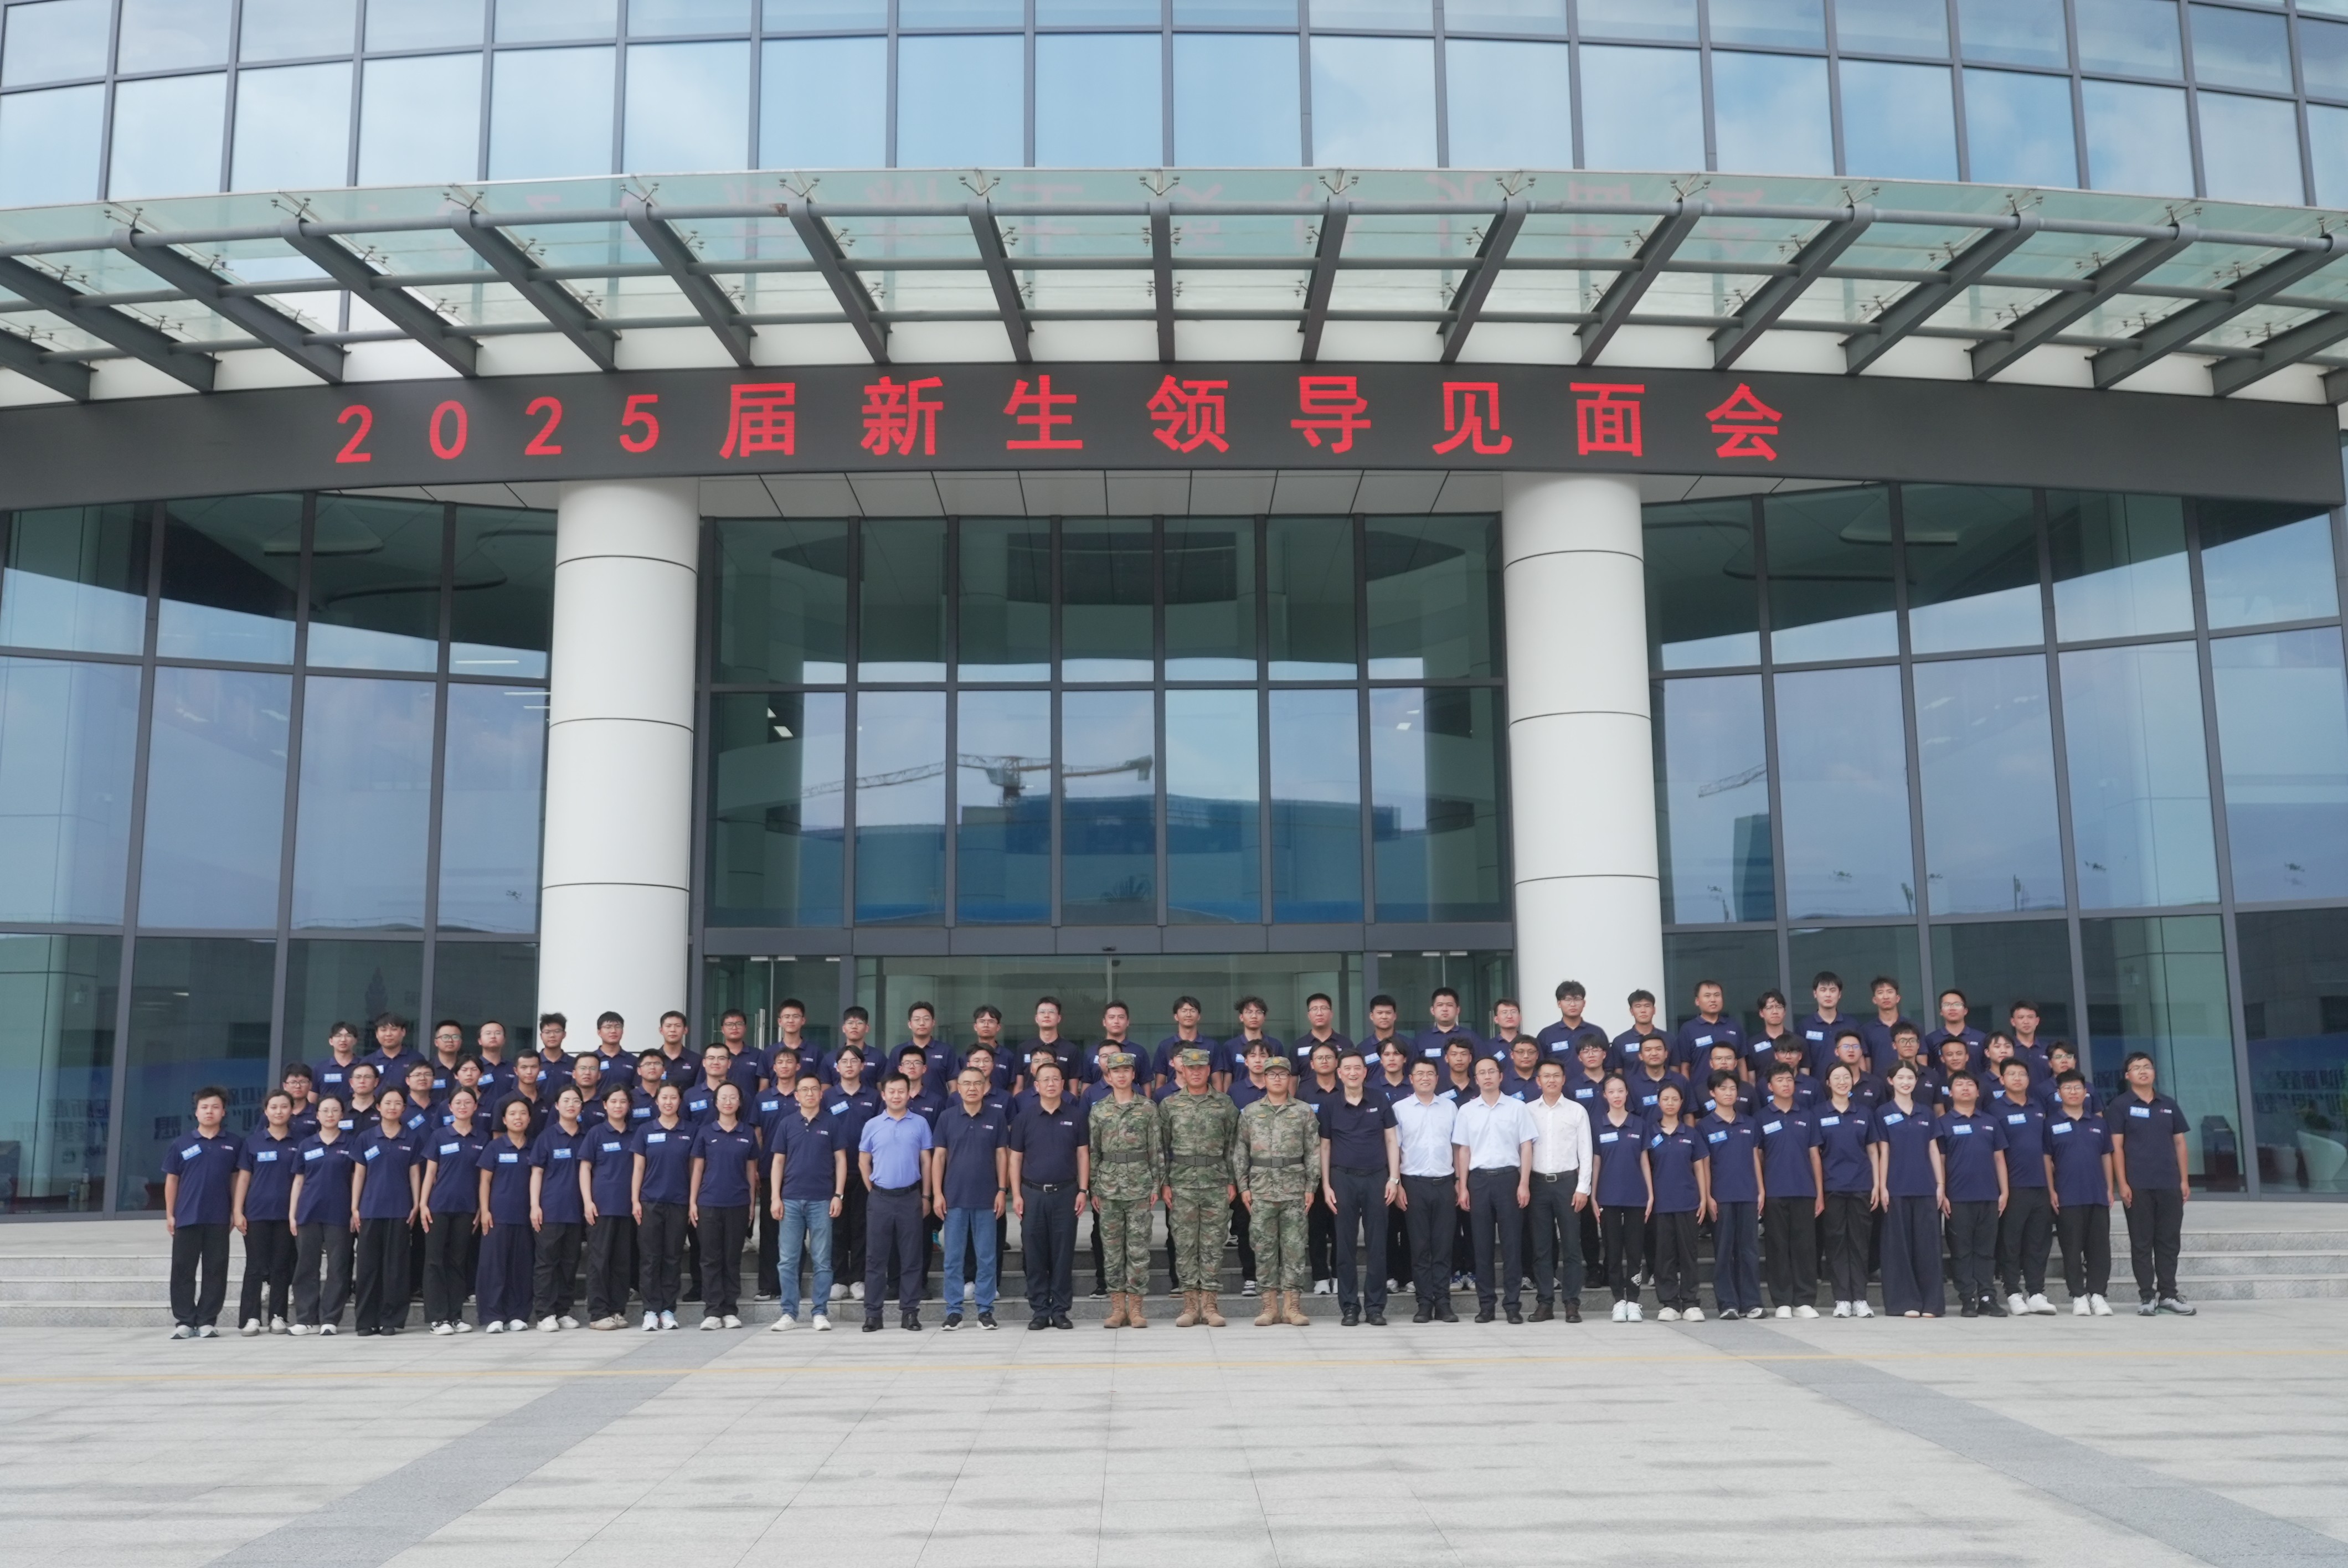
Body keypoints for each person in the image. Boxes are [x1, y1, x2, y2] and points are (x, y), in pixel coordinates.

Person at [2109, 1050, 2196, 1317]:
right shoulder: (2120, 1105)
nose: (2143, 1071)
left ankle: (2168, 1294)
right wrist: (2122, 1183)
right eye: (2137, 1068)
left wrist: (2184, 1180)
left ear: (2154, 1072)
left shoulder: (2168, 1104)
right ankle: (2147, 1296)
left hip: (2169, 1183)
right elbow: (2116, 1147)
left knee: (2169, 1241)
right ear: (2128, 1076)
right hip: (2138, 1185)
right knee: (2142, 1242)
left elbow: (2180, 1143)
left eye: (2147, 1066)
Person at [1317, 1049, 1401, 1327]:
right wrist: (1326, 1185)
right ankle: (1350, 1307)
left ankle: (1375, 1307)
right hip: (1343, 1179)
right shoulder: (1330, 1104)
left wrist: (1394, 1178)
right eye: (1348, 1069)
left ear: (1365, 1072)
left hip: (1377, 1178)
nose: (1353, 1073)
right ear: (1340, 1073)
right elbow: (1325, 1146)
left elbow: (1391, 1140)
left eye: (1358, 1068)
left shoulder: (1379, 1098)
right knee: (1345, 1246)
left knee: (1378, 1245)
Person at [1451, 1056, 1537, 1325]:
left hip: (1509, 1179)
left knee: (1512, 1245)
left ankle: (1512, 1306)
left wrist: (1524, 1183)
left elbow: (1526, 1147)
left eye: (1492, 1072)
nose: (1487, 1076)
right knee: (1482, 1246)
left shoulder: (1517, 1108)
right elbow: (1463, 1150)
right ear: (1476, 1079)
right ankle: (1486, 1306)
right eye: (1482, 1073)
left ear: (1501, 1076)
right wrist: (1462, 1186)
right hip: (1478, 1181)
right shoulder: (1467, 1111)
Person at [1159, 1046, 1240, 1329]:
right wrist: (1164, 1183)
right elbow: (1161, 1148)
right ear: (1182, 1069)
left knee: (1213, 1245)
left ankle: (1210, 1304)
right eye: (1191, 1068)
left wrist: (1232, 1180)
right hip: (1181, 1183)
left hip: (1215, 1181)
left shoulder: (1224, 1104)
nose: (1196, 1072)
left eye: (1201, 1067)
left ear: (1208, 1070)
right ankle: (1190, 1305)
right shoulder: (1170, 1104)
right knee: (1184, 1245)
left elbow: (1233, 1146)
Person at [1235, 1057, 1318, 1327]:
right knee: (1264, 1249)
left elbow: (1313, 1151)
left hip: (1294, 1189)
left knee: (1295, 1249)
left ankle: (1292, 1307)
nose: (1278, 1079)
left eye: (1283, 1074)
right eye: (1272, 1075)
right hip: (1261, 1189)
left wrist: (1312, 1186)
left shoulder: (1304, 1111)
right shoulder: (1250, 1112)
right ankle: (1269, 1307)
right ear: (1265, 1078)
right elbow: (1240, 1151)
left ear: (1290, 1078)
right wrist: (1243, 1186)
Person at [1008, 1060, 1087, 1330]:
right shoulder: (1024, 1118)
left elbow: (1082, 1155)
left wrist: (1083, 1190)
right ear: (1037, 1085)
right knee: (1034, 1253)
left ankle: (1061, 1310)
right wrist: (1016, 1194)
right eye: (1046, 1080)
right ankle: (1040, 1310)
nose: (1051, 1084)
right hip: (1032, 1194)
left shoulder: (1076, 1116)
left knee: (1063, 1254)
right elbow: (1015, 1159)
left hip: (1066, 1193)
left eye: (1056, 1079)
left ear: (1063, 1084)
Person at [1087, 1051, 1162, 1328]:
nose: (1121, 1075)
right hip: (1108, 1187)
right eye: (1115, 1071)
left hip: (1140, 1184)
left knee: (1139, 1248)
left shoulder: (1148, 1108)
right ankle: (1118, 1308)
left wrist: (1156, 1184)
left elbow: (1156, 1150)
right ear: (1107, 1077)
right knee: (1112, 1250)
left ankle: (1137, 1308)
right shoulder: (1099, 1110)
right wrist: (1093, 1187)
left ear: (1133, 1075)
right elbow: (1094, 1152)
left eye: (1126, 1071)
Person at [766, 1070, 846, 1333]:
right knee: (788, 1260)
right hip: (790, 1199)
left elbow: (841, 1160)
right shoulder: (787, 1124)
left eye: (814, 1089)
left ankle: (820, 1312)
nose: (810, 1094)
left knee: (822, 1259)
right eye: (804, 1090)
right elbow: (778, 1162)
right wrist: (775, 1197)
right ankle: (789, 1313)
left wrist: (838, 1195)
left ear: (821, 1094)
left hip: (822, 1200)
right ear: (797, 1095)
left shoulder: (832, 1123)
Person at [933, 1066, 1008, 1331]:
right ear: (959, 1088)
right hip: (954, 1198)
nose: (972, 1088)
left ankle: (985, 1311)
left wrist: (1002, 1190)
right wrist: (937, 1193)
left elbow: (1002, 1155)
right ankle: (954, 1311)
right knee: (953, 1258)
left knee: (986, 1257)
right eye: (966, 1083)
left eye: (978, 1083)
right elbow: (939, 1156)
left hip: (987, 1198)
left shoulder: (997, 1116)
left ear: (986, 1087)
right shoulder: (947, 1117)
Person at [859, 1071, 935, 1332]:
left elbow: (926, 1162)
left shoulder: (920, 1123)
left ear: (909, 1093)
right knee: (875, 1259)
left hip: (910, 1198)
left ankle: (910, 1313)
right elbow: (863, 1160)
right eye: (891, 1091)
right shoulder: (872, 1125)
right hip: (880, 1198)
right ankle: (873, 1314)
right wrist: (872, 1189)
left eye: (901, 1091)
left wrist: (926, 1195)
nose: (896, 1096)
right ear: (883, 1095)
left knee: (912, 1257)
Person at [162, 1086, 240, 1340]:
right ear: (196, 1112)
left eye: (215, 1107)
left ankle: (207, 1320)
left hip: (219, 1217)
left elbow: (236, 1179)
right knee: (183, 1269)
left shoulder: (233, 1144)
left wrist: (235, 1211)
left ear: (224, 1112)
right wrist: (170, 1213)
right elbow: (172, 1179)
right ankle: (185, 1320)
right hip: (187, 1216)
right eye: (204, 1107)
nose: (210, 1112)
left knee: (215, 1269)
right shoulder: (181, 1143)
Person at [1872, 1063, 1945, 1318]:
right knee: (1898, 1248)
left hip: (1925, 1186)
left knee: (1928, 1246)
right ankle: (1904, 1303)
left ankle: (1932, 1303)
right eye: (1901, 1077)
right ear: (1890, 1081)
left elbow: (1933, 1149)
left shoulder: (1926, 1112)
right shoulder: (1883, 1112)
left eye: (1910, 1078)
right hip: (1896, 1187)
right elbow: (1883, 1151)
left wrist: (1940, 1185)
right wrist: (1883, 1186)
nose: (1906, 1082)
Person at [1522, 1059, 1592, 1323]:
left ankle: (1572, 1303)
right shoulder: (1527, 1111)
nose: (1551, 1080)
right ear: (1538, 1081)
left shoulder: (1576, 1111)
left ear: (1564, 1079)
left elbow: (1586, 1151)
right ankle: (1545, 1302)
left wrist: (1583, 1187)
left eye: (1556, 1076)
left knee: (1572, 1246)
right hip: (1537, 1184)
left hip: (1567, 1184)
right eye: (1546, 1076)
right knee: (1541, 1247)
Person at [351, 1087, 424, 1337]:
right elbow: (359, 1174)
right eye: (388, 1103)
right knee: (368, 1267)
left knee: (396, 1268)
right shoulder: (366, 1138)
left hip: (400, 1209)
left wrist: (416, 1204)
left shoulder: (411, 1138)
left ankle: (390, 1320)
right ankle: (365, 1321)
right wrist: (355, 1206)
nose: (392, 1107)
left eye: (398, 1103)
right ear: (379, 1107)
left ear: (404, 1108)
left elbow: (415, 1174)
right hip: (370, 1209)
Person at [1392, 1058, 1460, 1323]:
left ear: (1437, 1078)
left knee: (1443, 1246)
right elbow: (1395, 1149)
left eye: (1430, 1073)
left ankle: (1443, 1303)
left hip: (1444, 1183)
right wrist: (1397, 1184)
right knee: (1419, 1247)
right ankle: (1424, 1304)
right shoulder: (1400, 1109)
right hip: (1413, 1184)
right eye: (1419, 1074)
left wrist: (1459, 1181)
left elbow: (1458, 1147)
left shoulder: (1450, 1107)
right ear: (1411, 1079)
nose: (1425, 1078)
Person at [1938, 1071, 2010, 1318]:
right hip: (1957, 1198)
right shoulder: (1944, 1123)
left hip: (1989, 1196)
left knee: (1986, 1251)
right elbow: (1940, 1160)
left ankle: (1988, 1297)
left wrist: (2004, 1191)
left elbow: (1999, 1158)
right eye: (1959, 1084)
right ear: (1950, 1092)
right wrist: (1943, 1192)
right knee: (1961, 1252)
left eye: (1970, 1084)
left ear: (1979, 1092)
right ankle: (1967, 1298)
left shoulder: (1990, 1122)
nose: (1966, 1088)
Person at [1755, 1063, 1824, 1319]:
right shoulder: (1761, 1117)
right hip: (1774, 1190)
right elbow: (1758, 1157)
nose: (1786, 1084)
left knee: (1805, 1247)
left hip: (1804, 1190)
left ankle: (1804, 1300)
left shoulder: (1807, 1115)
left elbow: (1815, 1156)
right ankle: (1782, 1300)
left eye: (1789, 1080)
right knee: (1777, 1246)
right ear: (1770, 1086)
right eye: (1780, 1080)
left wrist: (1819, 1193)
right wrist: (1761, 1190)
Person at [2046, 1070, 2117, 1316]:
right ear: (2059, 1094)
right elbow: (2046, 1159)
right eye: (2068, 1088)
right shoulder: (2051, 1124)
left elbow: (2106, 1156)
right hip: (2067, 1196)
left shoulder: (2098, 1123)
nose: (2073, 1092)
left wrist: (2110, 1188)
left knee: (2099, 1248)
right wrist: (2052, 1190)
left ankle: (2098, 1295)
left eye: (2078, 1088)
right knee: (2071, 1248)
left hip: (2097, 1194)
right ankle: (2078, 1295)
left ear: (2086, 1093)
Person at [687, 1082, 758, 1329]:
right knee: (710, 1258)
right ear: (716, 1102)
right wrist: (693, 1202)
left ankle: (730, 1309)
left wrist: (751, 1204)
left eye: (733, 1097)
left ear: (740, 1102)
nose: (728, 1102)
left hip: (738, 1203)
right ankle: (713, 1310)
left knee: (732, 1258)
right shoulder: (705, 1132)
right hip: (708, 1202)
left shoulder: (747, 1133)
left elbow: (751, 1172)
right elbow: (697, 1169)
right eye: (723, 1097)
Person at [418, 1086, 488, 1334]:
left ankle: (455, 1316)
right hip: (438, 1207)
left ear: (475, 1107)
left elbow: (484, 1178)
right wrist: (423, 1204)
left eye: (468, 1102)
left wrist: (482, 1207)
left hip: (467, 1208)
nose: (463, 1106)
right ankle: (438, 1319)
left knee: (458, 1262)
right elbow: (430, 1173)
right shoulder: (439, 1135)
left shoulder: (482, 1138)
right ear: (450, 1107)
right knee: (434, 1261)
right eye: (458, 1102)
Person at [1990, 1059, 2057, 1316]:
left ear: (2029, 1079)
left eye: (2022, 1074)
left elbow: (2047, 1148)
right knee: (2011, 1242)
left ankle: (2037, 1292)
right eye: (2012, 1074)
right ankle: (2013, 1292)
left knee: (2038, 1242)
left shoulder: (2038, 1107)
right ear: (2002, 1079)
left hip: (2040, 1184)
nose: (2017, 1078)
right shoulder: (1995, 1109)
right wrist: (2003, 1189)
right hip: (2013, 1187)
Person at [287, 1095, 359, 1335]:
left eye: (335, 1110)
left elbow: (356, 1179)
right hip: (308, 1212)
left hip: (340, 1213)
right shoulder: (307, 1145)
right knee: (306, 1266)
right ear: (317, 1115)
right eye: (325, 1110)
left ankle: (330, 1318)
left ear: (342, 1115)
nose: (330, 1115)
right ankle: (306, 1318)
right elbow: (298, 1181)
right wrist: (292, 1214)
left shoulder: (351, 1144)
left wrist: (354, 1210)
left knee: (338, 1267)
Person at [232, 1090, 301, 1336]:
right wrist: (238, 1211)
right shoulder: (253, 1142)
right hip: (257, 1212)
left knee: (282, 1266)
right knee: (255, 1267)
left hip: (286, 1214)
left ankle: (277, 1316)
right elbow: (243, 1178)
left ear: (292, 1110)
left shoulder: (300, 1142)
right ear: (266, 1111)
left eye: (284, 1107)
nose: (279, 1111)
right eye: (274, 1107)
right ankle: (251, 1317)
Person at [1699, 1070, 1764, 1321]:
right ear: (1712, 1093)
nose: (1728, 1093)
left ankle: (1751, 1302)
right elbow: (1704, 1165)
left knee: (1749, 1250)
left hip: (1748, 1194)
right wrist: (1708, 1196)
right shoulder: (1705, 1126)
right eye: (1723, 1088)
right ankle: (1728, 1303)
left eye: (1733, 1088)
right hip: (1721, 1196)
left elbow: (1755, 1158)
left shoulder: (1749, 1123)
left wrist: (1761, 1190)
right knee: (1724, 1250)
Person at [1814, 1063, 1878, 1318]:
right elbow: (1816, 1154)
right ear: (1828, 1083)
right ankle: (1842, 1299)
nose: (1842, 1081)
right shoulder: (1818, 1113)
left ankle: (1860, 1298)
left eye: (1846, 1077)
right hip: (1832, 1187)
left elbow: (1872, 1150)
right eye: (1836, 1078)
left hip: (1861, 1185)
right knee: (1836, 1243)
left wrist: (1877, 1184)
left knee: (1860, 1243)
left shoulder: (1864, 1112)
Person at [475, 1095, 539, 1332]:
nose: (518, 1118)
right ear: (504, 1120)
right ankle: (493, 1315)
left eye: (523, 1113)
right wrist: (485, 1210)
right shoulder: (495, 1147)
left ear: (529, 1118)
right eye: (512, 1114)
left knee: (521, 1266)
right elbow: (485, 1181)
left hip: (525, 1217)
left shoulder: (535, 1147)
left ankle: (518, 1314)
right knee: (494, 1266)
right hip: (498, 1216)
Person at [631, 1081, 692, 1331]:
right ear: (656, 1101)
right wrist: (635, 1200)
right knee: (650, 1258)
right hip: (650, 1202)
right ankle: (650, 1310)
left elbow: (694, 1169)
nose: (668, 1102)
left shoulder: (690, 1130)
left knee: (672, 1257)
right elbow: (638, 1168)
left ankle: (668, 1310)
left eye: (673, 1098)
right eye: (664, 1098)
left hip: (679, 1202)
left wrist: (692, 1202)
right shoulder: (645, 1130)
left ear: (680, 1101)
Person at [1589, 1075, 1651, 1322]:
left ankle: (1634, 1300)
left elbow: (1644, 1161)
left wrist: (1651, 1194)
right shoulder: (1598, 1124)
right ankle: (1618, 1301)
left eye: (1621, 1091)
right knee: (1613, 1251)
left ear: (1627, 1093)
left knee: (1635, 1251)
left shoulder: (1639, 1124)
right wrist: (1593, 1196)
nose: (1616, 1095)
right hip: (1608, 1196)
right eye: (1611, 1091)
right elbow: (1596, 1162)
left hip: (1636, 1196)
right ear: (1605, 1095)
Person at [529, 1084, 590, 1331]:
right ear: (557, 1106)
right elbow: (537, 1173)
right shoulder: (547, 1137)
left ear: (582, 1106)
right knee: (547, 1263)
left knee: (569, 1262)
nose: (571, 1105)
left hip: (576, 1211)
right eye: (566, 1100)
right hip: (551, 1209)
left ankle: (563, 1310)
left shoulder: (587, 1137)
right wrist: (535, 1205)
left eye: (576, 1101)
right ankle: (545, 1313)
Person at [1645, 1083, 1707, 1321]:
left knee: (1689, 1254)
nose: (1670, 1103)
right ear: (1659, 1102)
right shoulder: (1650, 1133)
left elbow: (1700, 1167)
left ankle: (1691, 1303)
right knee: (1664, 1255)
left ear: (1682, 1103)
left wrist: (1704, 1198)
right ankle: (1669, 1303)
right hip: (1661, 1204)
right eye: (1665, 1099)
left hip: (1688, 1202)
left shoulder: (1691, 1133)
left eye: (1675, 1099)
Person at [580, 1085, 640, 1330]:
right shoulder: (596, 1133)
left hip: (627, 1208)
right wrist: (587, 1201)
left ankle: (617, 1310)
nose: (618, 1106)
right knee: (600, 1260)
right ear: (605, 1105)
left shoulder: (636, 1134)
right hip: (601, 1207)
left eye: (623, 1101)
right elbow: (585, 1167)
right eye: (613, 1101)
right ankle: (598, 1313)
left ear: (629, 1106)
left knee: (622, 1262)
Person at [1671, 981, 1743, 1077]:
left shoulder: (1734, 1026)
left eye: (1717, 995)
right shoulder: (1688, 1029)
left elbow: (1741, 1062)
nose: (1713, 1000)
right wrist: (1686, 1087)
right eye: (1707, 996)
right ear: (1697, 1001)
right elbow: (1685, 1066)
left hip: (1731, 1086)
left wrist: (1745, 1086)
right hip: (1700, 1086)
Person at [1796, 972, 1855, 1080]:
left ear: (1840, 994)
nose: (1828, 995)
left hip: (1845, 1085)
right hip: (1815, 1087)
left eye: (1833, 990)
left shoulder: (1851, 1024)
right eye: (1823, 990)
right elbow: (1801, 1064)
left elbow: (1860, 1059)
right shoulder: (1804, 1026)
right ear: (1815, 993)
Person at [313, 1022, 364, 1105]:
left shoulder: (364, 1065)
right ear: (331, 1041)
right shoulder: (319, 1069)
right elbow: (312, 1100)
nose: (343, 1040)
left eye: (348, 1036)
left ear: (355, 1041)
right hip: (329, 1113)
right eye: (338, 1036)